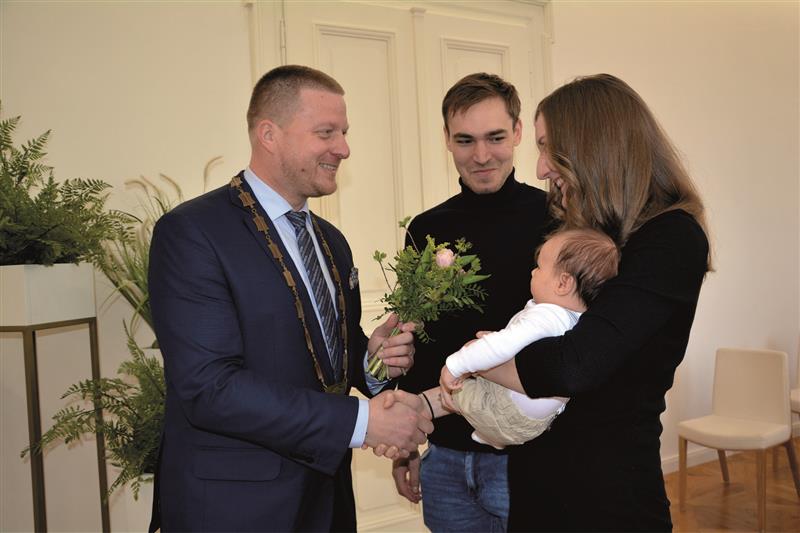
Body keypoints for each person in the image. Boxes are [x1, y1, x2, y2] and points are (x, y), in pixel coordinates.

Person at [148, 65, 433, 532]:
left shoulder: (331, 241)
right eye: (326, 132)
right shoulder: (193, 233)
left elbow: (326, 357)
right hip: (235, 508)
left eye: (343, 132)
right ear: (269, 134)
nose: (343, 148)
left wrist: (372, 363)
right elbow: (209, 388)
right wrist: (362, 421)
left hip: (327, 499)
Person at [478, 74, 711, 531]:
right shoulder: (578, 231)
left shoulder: (671, 237)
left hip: (608, 499)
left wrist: (479, 358)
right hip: (536, 485)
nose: (541, 168)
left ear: (594, 146)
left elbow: (574, 365)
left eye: (549, 148)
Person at [392, 72, 551, 531]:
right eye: (465, 140)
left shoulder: (558, 219)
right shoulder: (424, 229)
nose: (481, 155)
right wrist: (408, 444)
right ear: (446, 139)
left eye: (495, 137)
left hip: (528, 458)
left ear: (518, 132)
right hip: (444, 458)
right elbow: (417, 340)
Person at [439, 228, 619, 450]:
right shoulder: (582, 321)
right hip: (537, 421)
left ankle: (490, 431)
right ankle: (493, 436)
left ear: (563, 284)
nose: (533, 272)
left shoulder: (548, 315)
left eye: (539, 267)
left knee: (459, 392)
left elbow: (504, 346)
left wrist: (455, 365)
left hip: (509, 411)